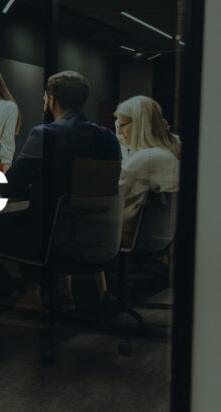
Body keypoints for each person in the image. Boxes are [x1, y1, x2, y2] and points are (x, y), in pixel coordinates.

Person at [0, 71, 121, 314]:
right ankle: (42, 291)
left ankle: (20, 296)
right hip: (102, 238)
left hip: (56, 240)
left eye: (43, 100)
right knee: (30, 223)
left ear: (51, 100)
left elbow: (9, 187)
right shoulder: (109, 138)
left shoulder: (45, 134)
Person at [93, 95, 181, 300]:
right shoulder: (169, 152)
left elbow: (110, 195)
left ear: (140, 124)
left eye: (123, 125)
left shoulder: (145, 159)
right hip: (162, 236)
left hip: (132, 236)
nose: (119, 131)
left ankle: (88, 298)